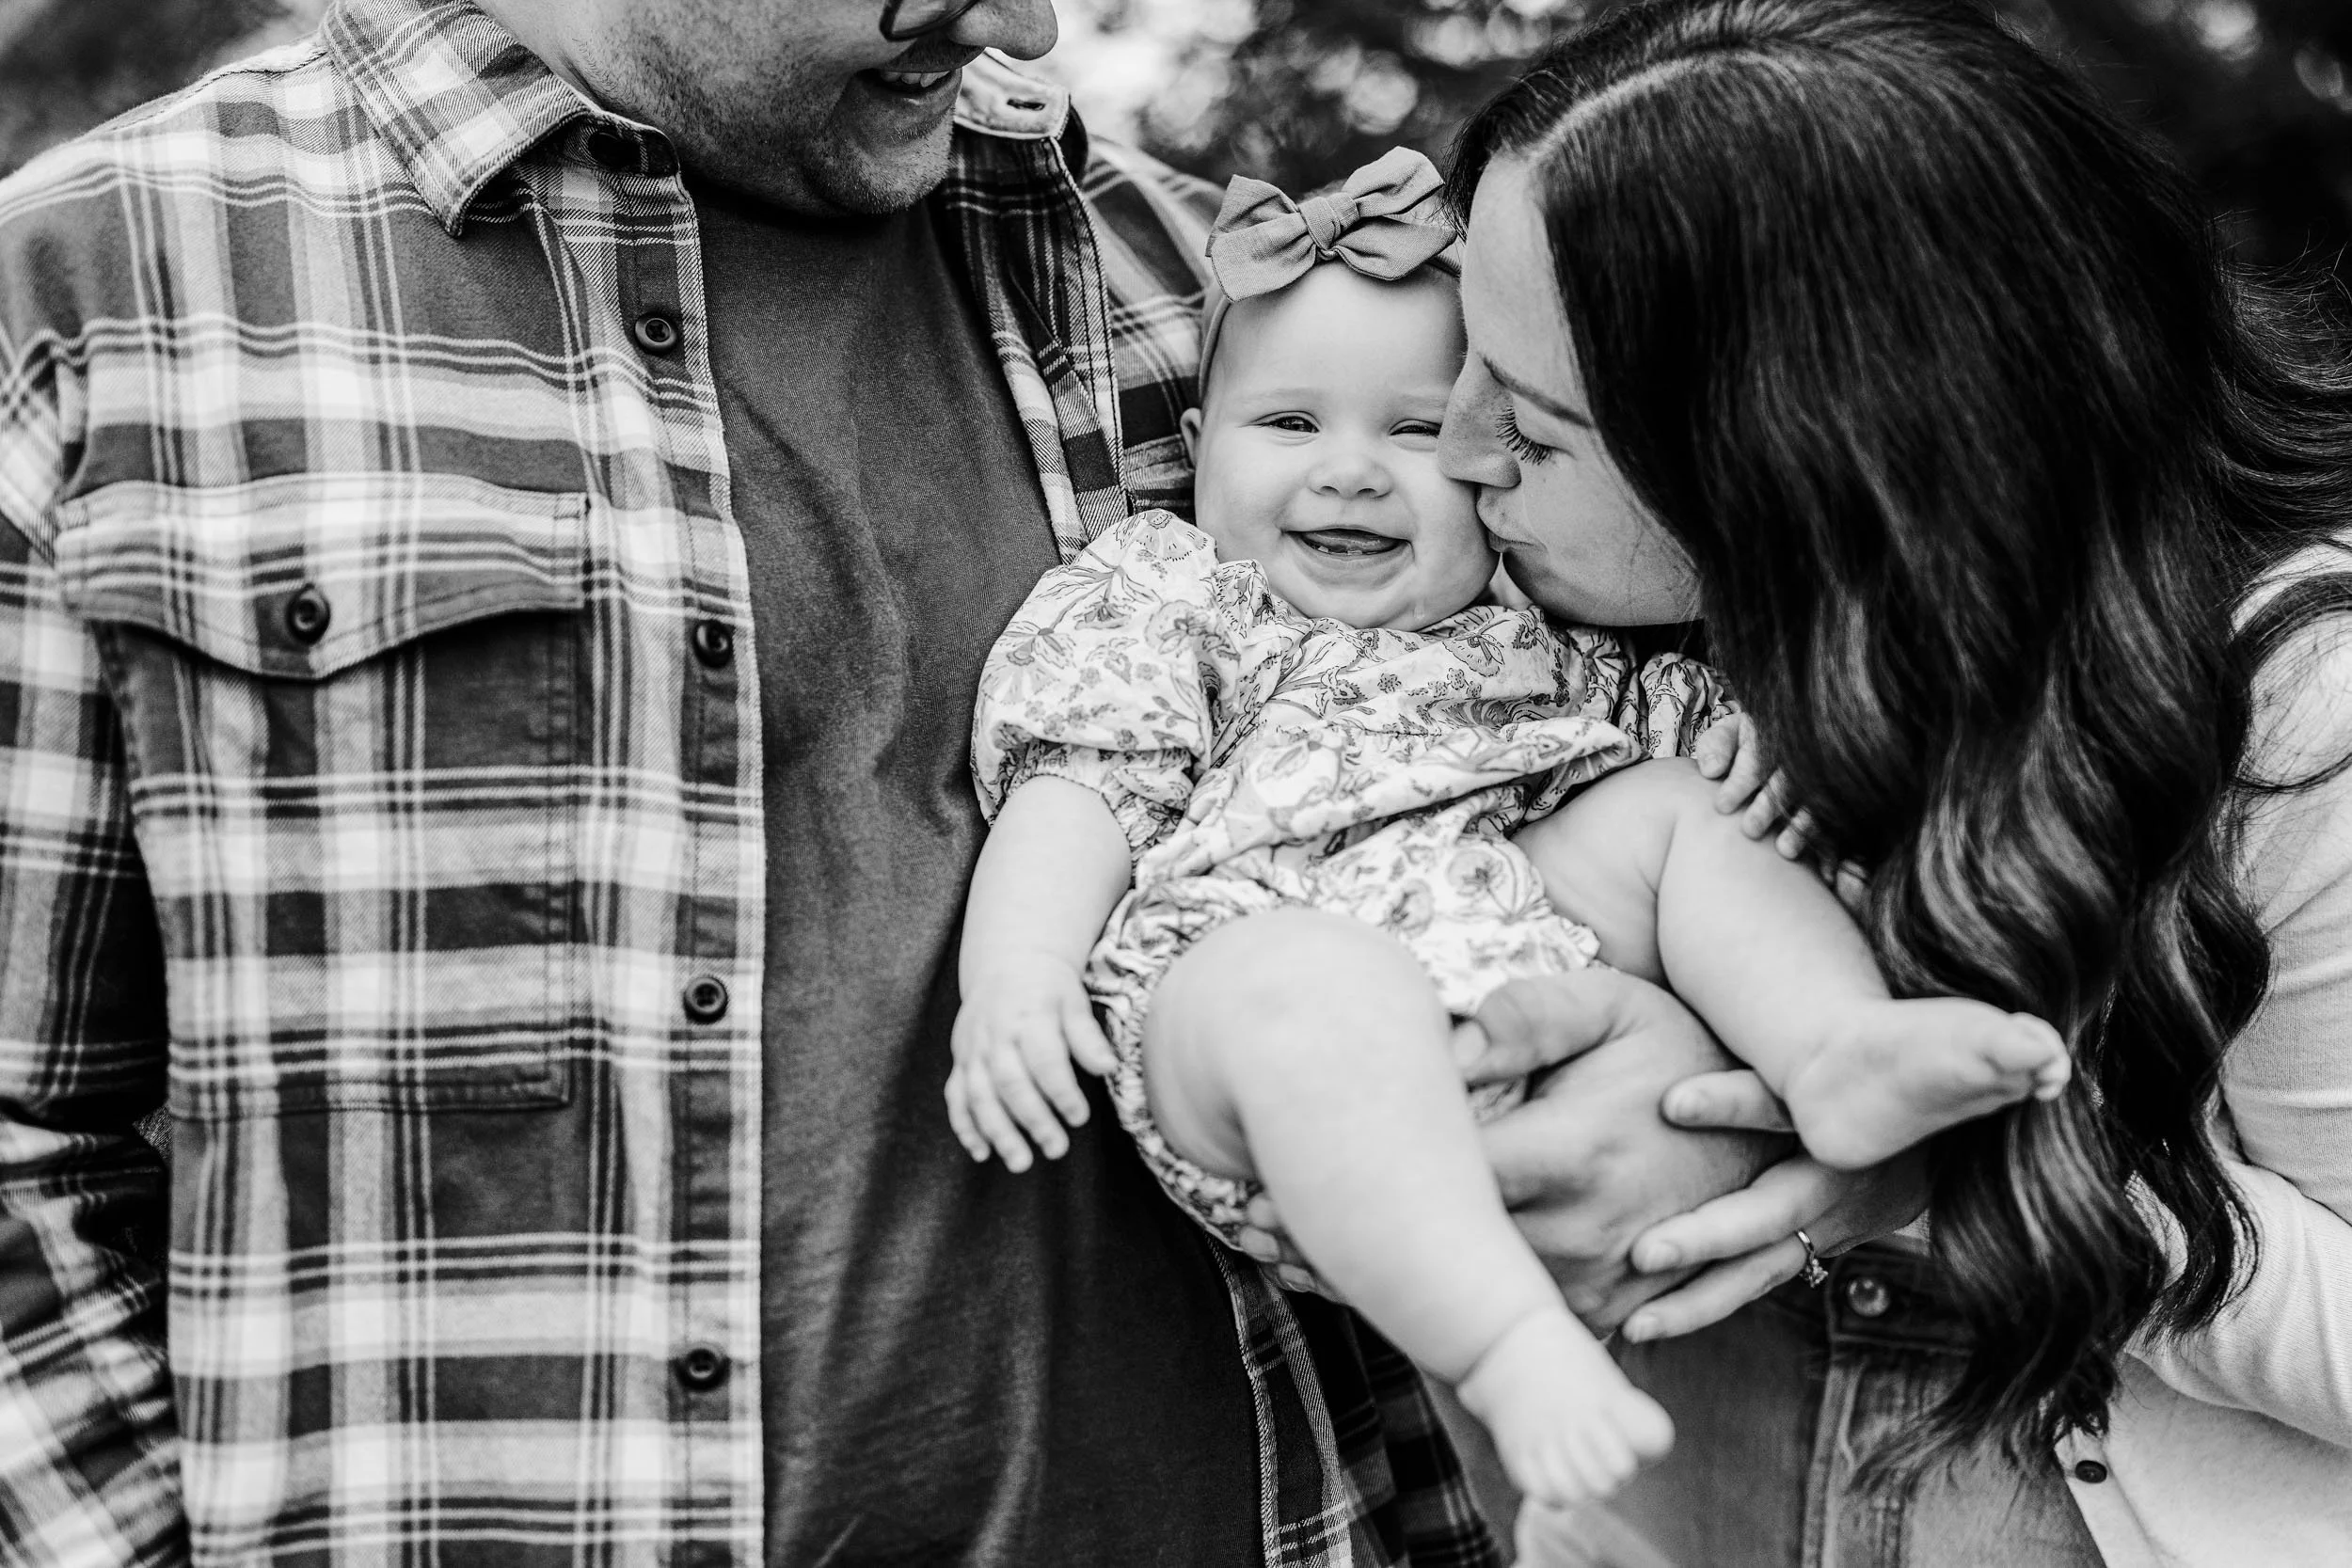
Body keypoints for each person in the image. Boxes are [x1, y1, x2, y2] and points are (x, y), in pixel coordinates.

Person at [0, 0, 1580, 1562]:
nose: (1023, 24)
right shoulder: (99, 296)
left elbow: (1560, 778)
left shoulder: (1220, 295)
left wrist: (1649, 1093)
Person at [947, 150, 2070, 1507]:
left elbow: (1726, 776)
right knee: (1298, 979)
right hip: (1241, 994)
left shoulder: (1542, 633)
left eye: (1416, 432)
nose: (1351, 473)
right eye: (1290, 424)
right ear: (1195, 451)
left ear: (1489, 465)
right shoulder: (1176, 598)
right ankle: (1503, 1343)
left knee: (1678, 814)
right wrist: (1017, 972)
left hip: (1513, 945)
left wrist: (1770, 741)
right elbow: (1080, 787)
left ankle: (1831, 1047)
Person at [1411, 0, 2352, 1561]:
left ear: (1806, 459)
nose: (1458, 448)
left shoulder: (2302, 710)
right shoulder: (1609, 646)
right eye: (1465, 353)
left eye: (1545, 424)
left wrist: (1973, 1178)